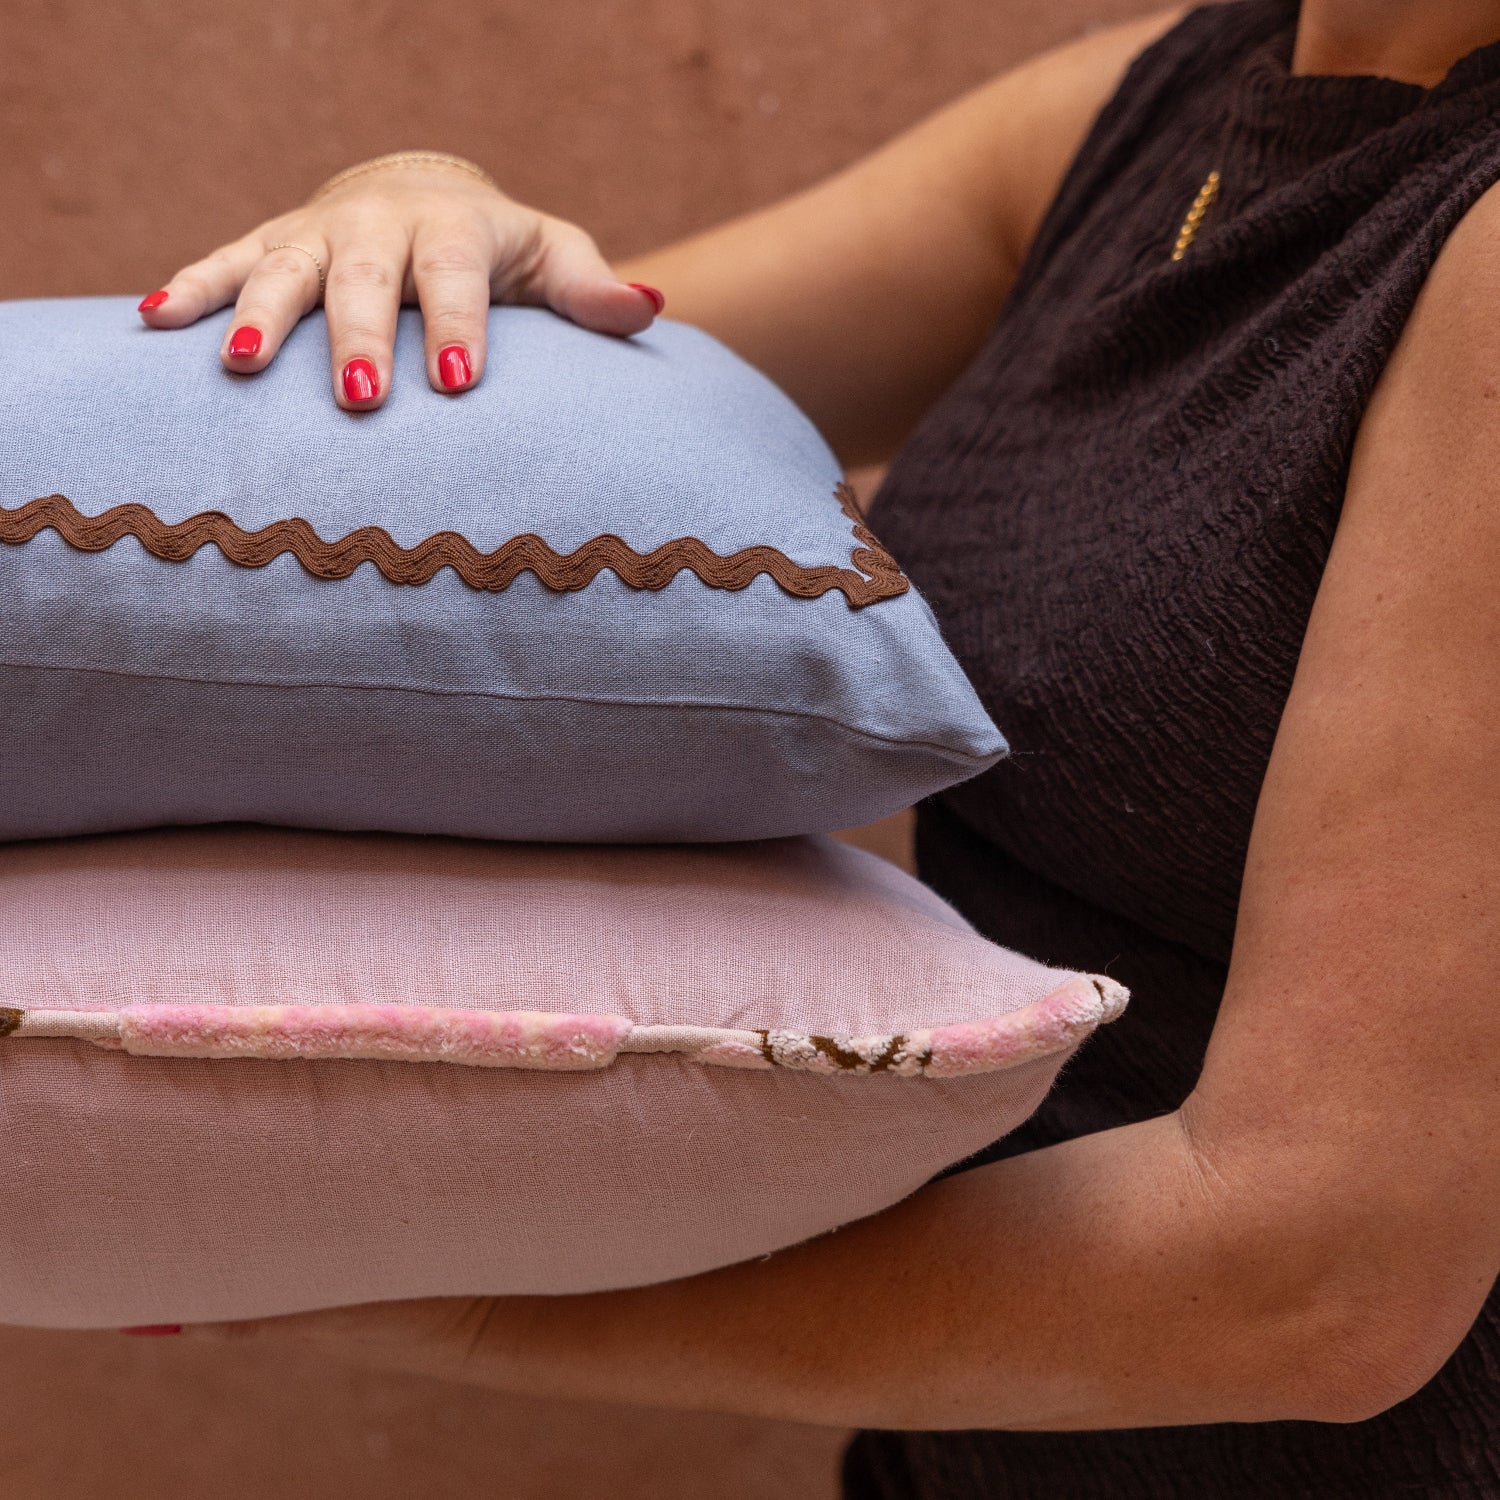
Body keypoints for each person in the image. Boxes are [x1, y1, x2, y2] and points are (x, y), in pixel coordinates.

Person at [131, 1, 1500, 1493]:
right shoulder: (1185, 90)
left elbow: (1312, 1277)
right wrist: (416, 201)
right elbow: (568, 396)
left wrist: (438, 1303)